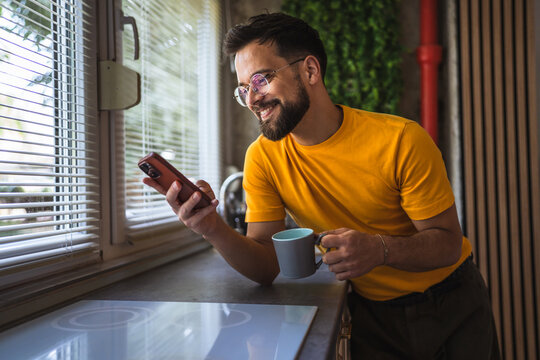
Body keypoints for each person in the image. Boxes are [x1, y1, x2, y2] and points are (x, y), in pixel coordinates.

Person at [143, 12, 500, 359]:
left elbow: (448, 244)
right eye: (242, 89)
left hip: (451, 302)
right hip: (371, 314)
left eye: (260, 80)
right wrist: (211, 228)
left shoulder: (402, 140)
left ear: (310, 70)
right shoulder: (263, 159)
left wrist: (380, 250)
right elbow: (267, 266)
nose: (251, 100)